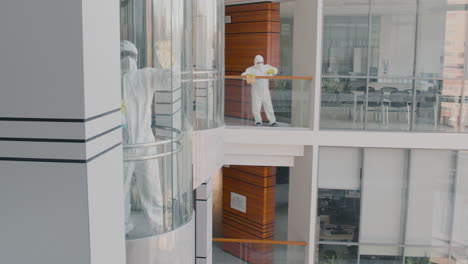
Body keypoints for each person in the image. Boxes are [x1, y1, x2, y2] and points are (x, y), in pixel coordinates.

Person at [120, 40, 170, 235]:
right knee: (119, 190)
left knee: (151, 187)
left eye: (130, 55)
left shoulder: (145, 75)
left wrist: (167, 59)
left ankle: (158, 229)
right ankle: (121, 228)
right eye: (123, 55)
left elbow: (169, 79)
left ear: (136, 57)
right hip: (121, 145)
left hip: (144, 142)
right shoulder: (109, 79)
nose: (127, 60)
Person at [241, 55, 278, 126]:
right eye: (258, 62)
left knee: (269, 106)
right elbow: (243, 76)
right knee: (256, 106)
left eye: (261, 62)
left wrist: (272, 71)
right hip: (256, 91)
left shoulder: (267, 67)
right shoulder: (251, 69)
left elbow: (276, 70)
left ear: (263, 61)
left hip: (265, 91)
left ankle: (272, 121)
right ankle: (258, 121)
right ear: (255, 62)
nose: (260, 64)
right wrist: (247, 76)